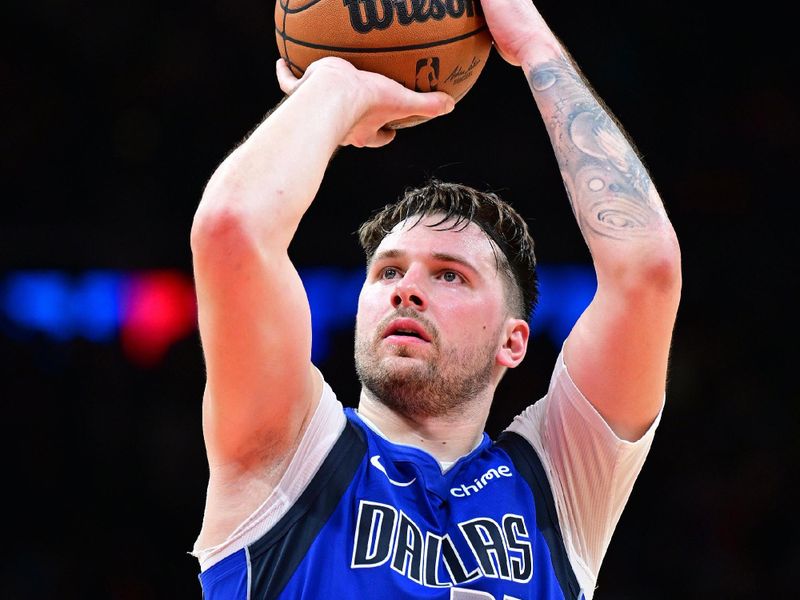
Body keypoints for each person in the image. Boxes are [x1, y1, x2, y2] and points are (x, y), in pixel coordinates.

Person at [188, 0, 682, 597]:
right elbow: (232, 232)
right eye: (387, 272)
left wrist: (530, 42)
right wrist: (335, 87)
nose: (407, 290)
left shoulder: (558, 486)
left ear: (513, 339)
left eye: (450, 275)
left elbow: (646, 270)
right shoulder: (290, 456)